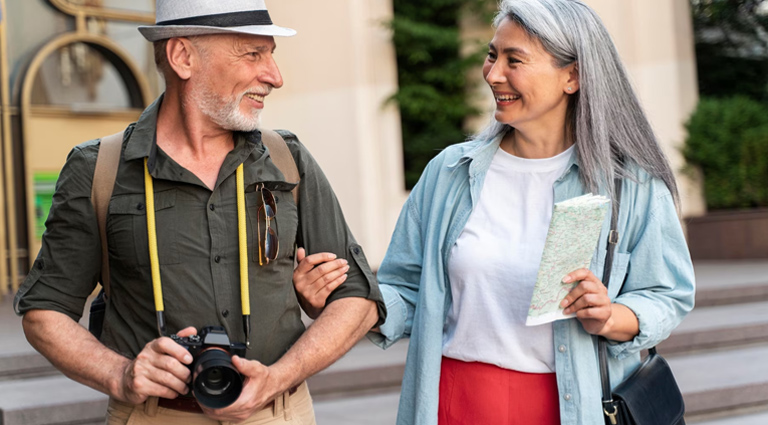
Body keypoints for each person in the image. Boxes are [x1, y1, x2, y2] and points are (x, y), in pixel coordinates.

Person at [294, 0, 696, 424]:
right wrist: (341, 304)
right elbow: (405, 290)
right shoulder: (449, 173)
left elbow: (667, 293)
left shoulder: (628, 185)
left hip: (570, 405)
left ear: (572, 76)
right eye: (492, 55)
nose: (493, 73)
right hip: (456, 399)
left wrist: (613, 316)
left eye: (514, 60)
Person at [14, 1, 385, 424]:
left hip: (279, 412)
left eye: (271, 55)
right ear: (182, 57)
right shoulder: (97, 169)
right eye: (253, 54)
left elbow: (359, 298)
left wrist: (281, 375)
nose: (275, 77)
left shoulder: (287, 157)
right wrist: (121, 374)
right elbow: (44, 313)